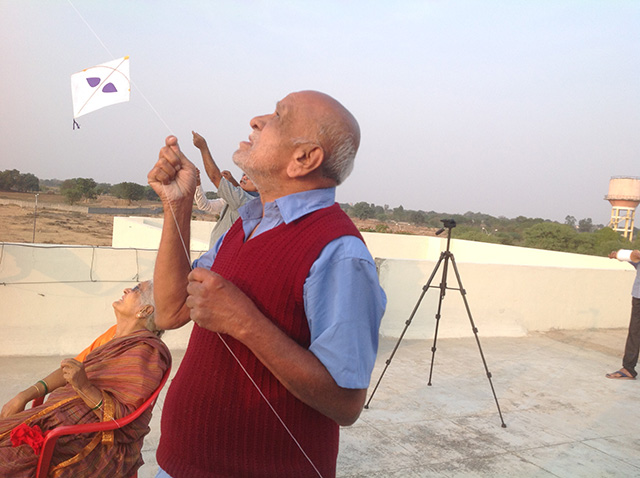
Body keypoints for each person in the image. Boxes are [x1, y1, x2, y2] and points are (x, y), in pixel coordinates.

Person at [148, 90, 387, 478]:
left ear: (304, 159)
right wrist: (177, 205)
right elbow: (171, 309)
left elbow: (346, 404)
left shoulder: (340, 252)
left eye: (277, 116)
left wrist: (245, 322)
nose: (256, 121)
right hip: (178, 464)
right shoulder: (246, 222)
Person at [0, 281, 171, 477]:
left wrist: (83, 386)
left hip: (87, 439)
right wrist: (24, 395)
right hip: (58, 418)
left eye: (135, 290)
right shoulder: (113, 336)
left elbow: (125, 423)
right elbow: (70, 368)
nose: (126, 290)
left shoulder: (146, 352)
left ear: (145, 310)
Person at [192, 131, 259, 248]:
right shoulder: (239, 201)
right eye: (244, 174)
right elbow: (205, 205)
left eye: (249, 177)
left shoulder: (244, 201)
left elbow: (214, 176)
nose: (244, 177)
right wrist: (198, 184)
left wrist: (203, 147)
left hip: (220, 260)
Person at [606, 249, 640, 380]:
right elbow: (634, 258)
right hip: (638, 298)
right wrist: (619, 256)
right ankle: (628, 368)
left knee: (635, 332)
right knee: (635, 332)